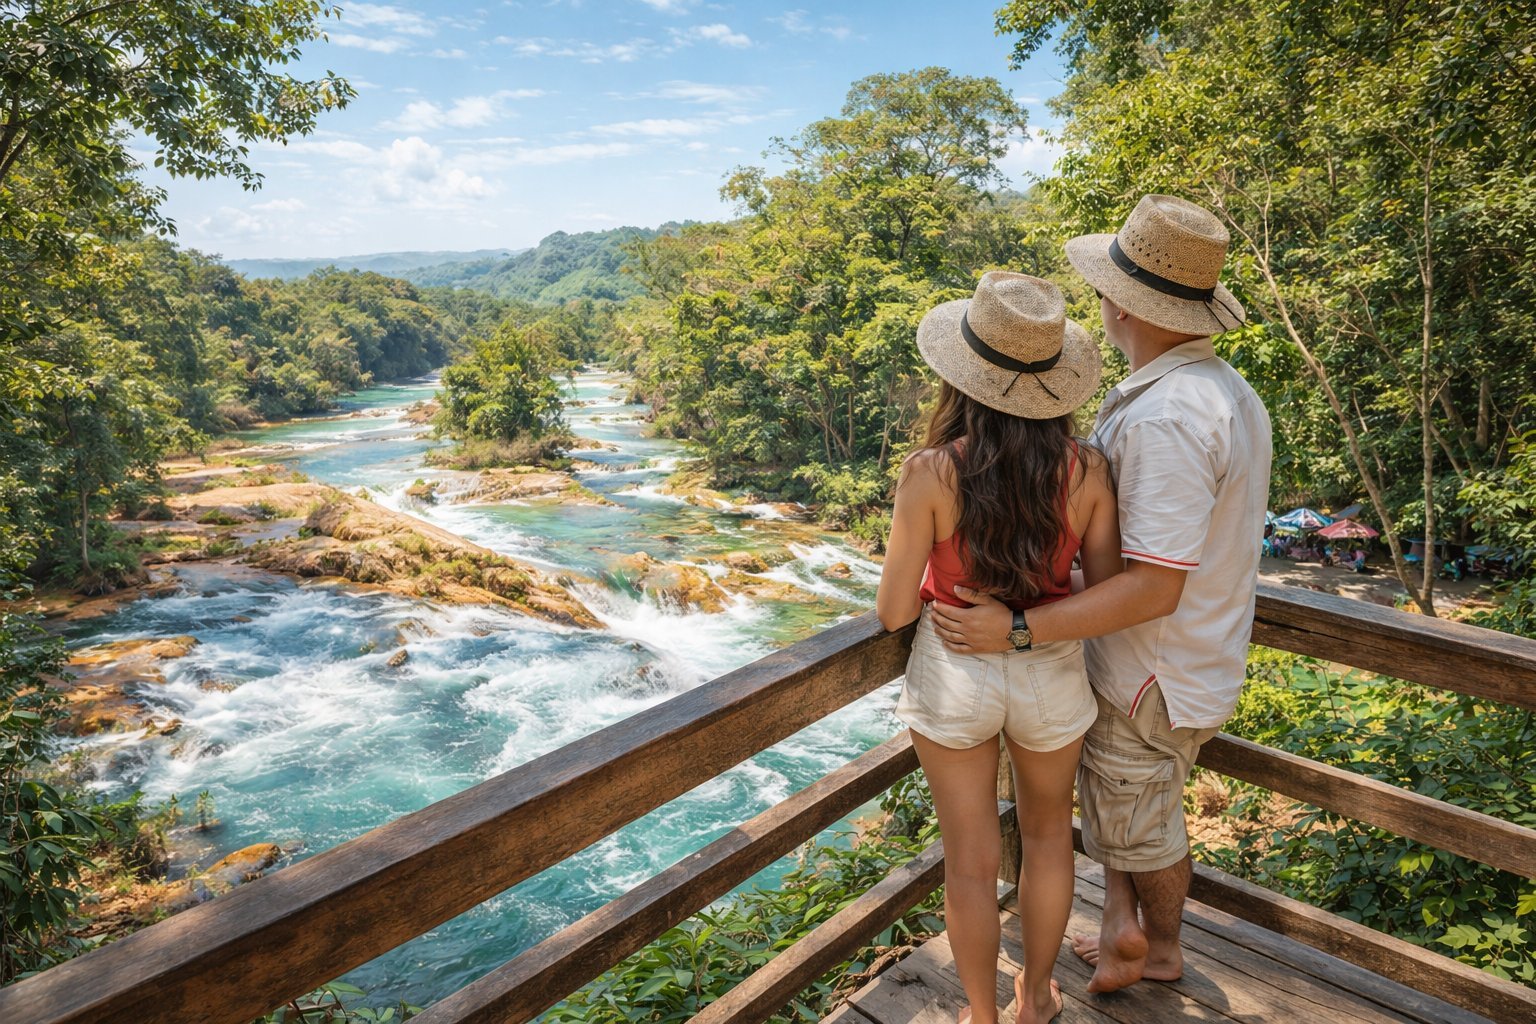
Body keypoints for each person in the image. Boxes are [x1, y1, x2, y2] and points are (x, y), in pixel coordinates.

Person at [930, 195, 1273, 995]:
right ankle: (1124, 934)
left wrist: (1017, 626)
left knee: (1142, 822)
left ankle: (1157, 951)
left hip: (1152, 666)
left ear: (1119, 304)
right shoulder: (1220, 390)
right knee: (1124, 806)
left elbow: (1151, 588)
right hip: (1188, 653)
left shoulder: (1167, 419)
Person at [876, 272, 1121, 1024]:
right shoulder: (1086, 469)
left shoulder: (929, 473)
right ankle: (1036, 997)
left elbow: (890, 612)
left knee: (971, 864)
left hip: (955, 666)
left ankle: (981, 1015)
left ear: (963, 377)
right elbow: (1105, 590)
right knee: (1050, 838)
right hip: (1049, 669)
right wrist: (1034, 595)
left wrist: (943, 593)